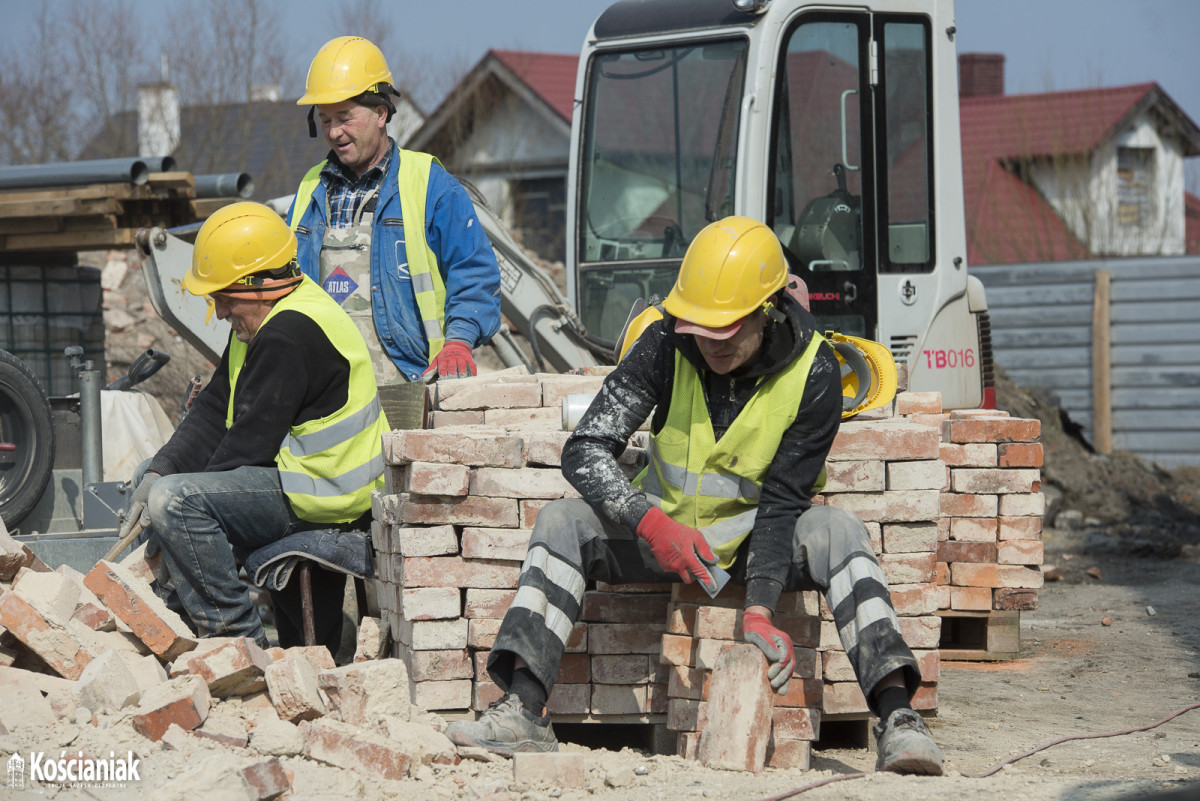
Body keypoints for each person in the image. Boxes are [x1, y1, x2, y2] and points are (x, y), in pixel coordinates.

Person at [445, 216, 944, 775]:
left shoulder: (816, 372)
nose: (710, 344)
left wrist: (759, 608)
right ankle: (523, 710)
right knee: (562, 522)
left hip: (758, 542)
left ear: (768, 309)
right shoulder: (665, 340)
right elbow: (584, 449)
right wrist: (650, 524)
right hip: (663, 536)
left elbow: (782, 499)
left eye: (725, 331)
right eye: (699, 330)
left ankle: (899, 720)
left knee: (840, 533)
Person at [117, 201, 389, 653]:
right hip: (299, 477)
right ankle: (173, 615)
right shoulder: (265, 316)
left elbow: (247, 447)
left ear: (258, 284)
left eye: (223, 296)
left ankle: (239, 647)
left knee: (177, 502)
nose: (219, 310)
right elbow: (215, 408)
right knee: (157, 479)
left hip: (328, 492)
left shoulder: (289, 334)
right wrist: (160, 469)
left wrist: (172, 501)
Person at [288, 35, 501, 384]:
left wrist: (459, 342)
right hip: (325, 395)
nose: (334, 132)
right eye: (325, 120)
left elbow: (474, 274)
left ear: (381, 113)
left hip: (413, 382)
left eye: (344, 116)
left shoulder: (429, 185)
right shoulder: (310, 189)